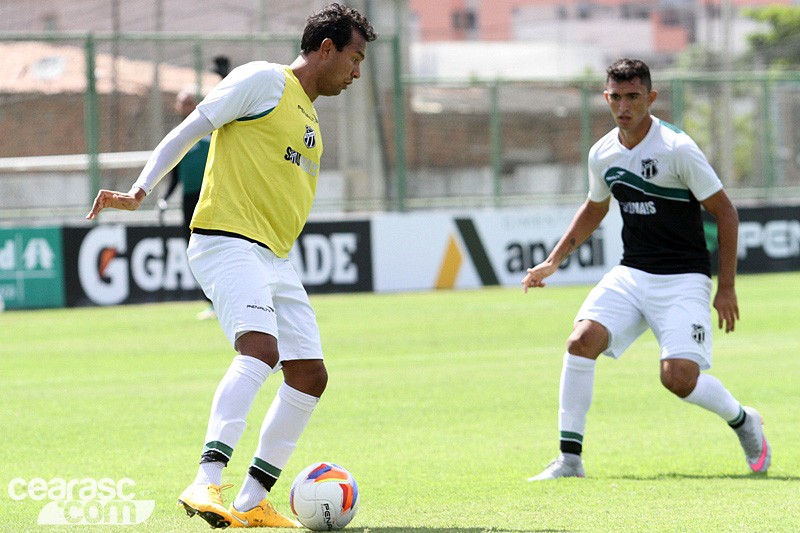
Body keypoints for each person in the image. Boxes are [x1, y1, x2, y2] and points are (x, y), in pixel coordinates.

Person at [86, 3, 376, 528]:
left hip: (276, 259)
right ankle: (205, 481)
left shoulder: (310, 116)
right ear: (326, 47)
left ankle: (250, 500)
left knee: (310, 375)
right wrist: (139, 191)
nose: (357, 73)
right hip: (227, 240)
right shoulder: (263, 81)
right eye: (354, 58)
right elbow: (189, 130)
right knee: (260, 349)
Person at [522, 58, 770, 481]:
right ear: (606, 98)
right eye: (616, 97)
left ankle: (743, 419)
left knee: (678, 379)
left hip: (684, 277)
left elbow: (725, 213)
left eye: (633, 96)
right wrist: (554, 259)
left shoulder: (677, 148)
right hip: (632, 273)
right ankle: (570, 460)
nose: (624, 106)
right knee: (581, 341)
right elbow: (595, 207)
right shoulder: (602, 153)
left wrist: (725, 287)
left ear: (650, 98)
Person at [157, 89, 216, 320]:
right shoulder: (179, 136)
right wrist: (164, 198)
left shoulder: (210, 129)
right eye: (183, 103)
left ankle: (226, 299)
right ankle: (210, 302)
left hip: (210, 196)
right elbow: (175, 176)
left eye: (191, 102)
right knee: (195, 250)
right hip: (188, 200)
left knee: (216, 245)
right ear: (177, 107)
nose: (187, 106)